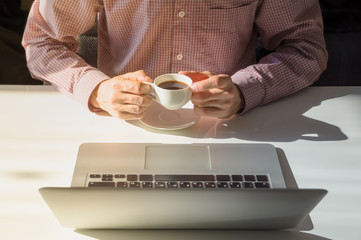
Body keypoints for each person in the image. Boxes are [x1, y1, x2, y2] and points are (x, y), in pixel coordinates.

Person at [22, 1, 328, 120]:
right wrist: (97, 91)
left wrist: (244, 90)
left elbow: (306, 47)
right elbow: (41, 39)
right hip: (122, 127)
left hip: (232, 127)